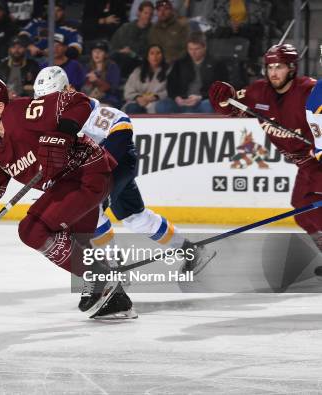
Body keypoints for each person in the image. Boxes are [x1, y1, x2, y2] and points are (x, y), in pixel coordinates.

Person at [0, 76, 134, 318]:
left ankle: (101, 278)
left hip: (88, 172)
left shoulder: (23, 112)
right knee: (75, 243)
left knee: (33, 230)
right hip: (66, 185)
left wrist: (64, 134)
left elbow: (81, 102)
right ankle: (117, 301)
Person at [34, 66, 216, 289]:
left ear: (69, 90)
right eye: (42, 99)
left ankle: (114, 269)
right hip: (107, 169)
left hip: (116, 164)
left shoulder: (86, 110)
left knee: (91, 210)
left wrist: (103, 167)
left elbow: (121, 121)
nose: (46, 104)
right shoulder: (49, 121)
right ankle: (191, 251)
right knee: (134, 217)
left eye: (52, 97)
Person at [209, 44, 322, 260]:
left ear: (291, 68)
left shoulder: (310, 90)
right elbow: (232, 106)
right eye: (270, 67)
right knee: (302, 212)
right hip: (303, 165)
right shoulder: (258, 92)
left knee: (315, 211)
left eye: (279, 67)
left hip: (318, 161)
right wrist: (222, 100)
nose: (273, 72)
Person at [157, 32, 227, 114]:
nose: (193, 52)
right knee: (162, 105)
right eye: (190, 49)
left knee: (208, 105)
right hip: (182, 101)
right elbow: (171, 85)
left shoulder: (216, 63)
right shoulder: (180, 63)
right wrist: (176, 97)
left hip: (202, 101)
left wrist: (200, 97)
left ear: (204, 47)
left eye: (197, 49)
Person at [122, 44, 170, 114]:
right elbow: (128, 90)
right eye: (152, 53)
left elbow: (169, 91)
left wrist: (155, 97)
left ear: (162, 55)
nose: (155, 56)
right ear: (147, 56)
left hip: (157, 102)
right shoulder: (138, 71)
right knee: (133, 108)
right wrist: (138, 98)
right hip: (138, 101)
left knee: (163, 107)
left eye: (158, 53)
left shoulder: (168, 71)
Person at [148, 0, 190, 64]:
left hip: (177, 64)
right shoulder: (153, 29)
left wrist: (173, 60)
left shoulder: (181, 26)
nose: (162, 12)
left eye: (166, 9)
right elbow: (151, 49)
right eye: (159, 10)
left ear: (171, 11)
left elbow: (186, 49)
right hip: (158, 64)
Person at [81, 41, 121, 108]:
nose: (97, 54)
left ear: (106, 54)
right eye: (94, 51)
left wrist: (97, 81)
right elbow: (81, 86)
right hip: (88, 100)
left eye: (100, 51)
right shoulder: (87, 67)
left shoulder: (112, 67)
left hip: (107, 101)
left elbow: (113, 88)